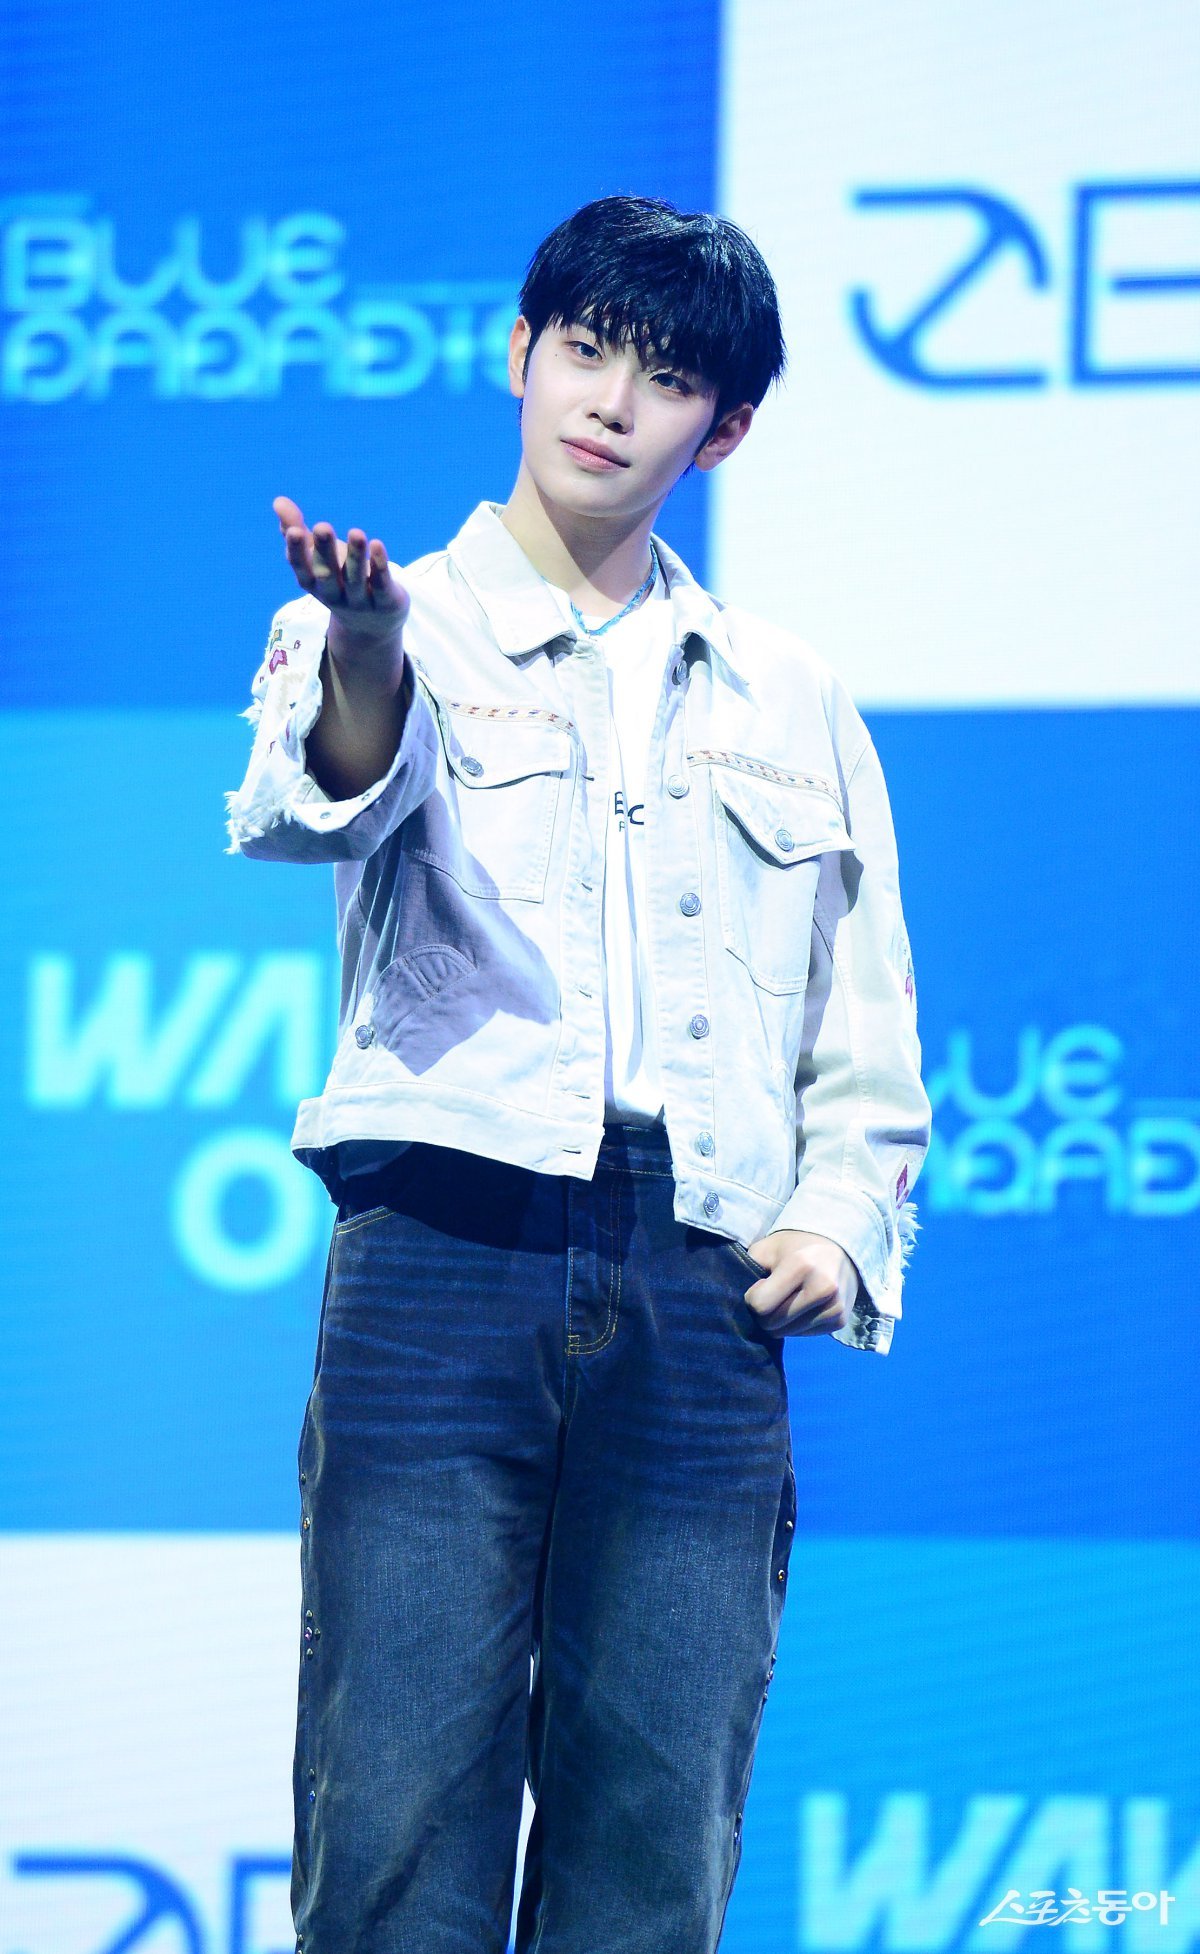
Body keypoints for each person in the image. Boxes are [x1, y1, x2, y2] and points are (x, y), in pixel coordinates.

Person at [224, 193, 932, 1954]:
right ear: (519, 352)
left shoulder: (789, 692)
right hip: (441, 1248)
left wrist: (839, 1220)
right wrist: (369, 654)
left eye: (667, 376)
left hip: (699, 1275)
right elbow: (316, 804)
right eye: (588, 350)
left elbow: (865, 1025)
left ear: (725, 428)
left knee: (654, 1842)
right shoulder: (389, 617)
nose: (612, 401)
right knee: (394, 1821)